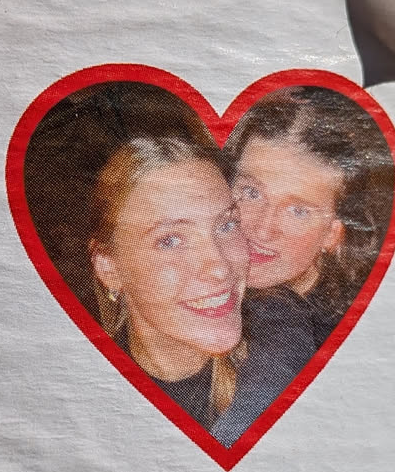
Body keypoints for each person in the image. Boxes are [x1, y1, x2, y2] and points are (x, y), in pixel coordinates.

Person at [87, 130, 311, 445]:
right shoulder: (93, 412)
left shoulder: (283, 338)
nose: (220, 267)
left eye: (227, 225)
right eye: (170, 240)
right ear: (110, 269)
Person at [227, 87, 394, 350]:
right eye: (251, 193)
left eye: (298, 211)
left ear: (333, 234)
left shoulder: (338, 342)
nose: (262, 229)